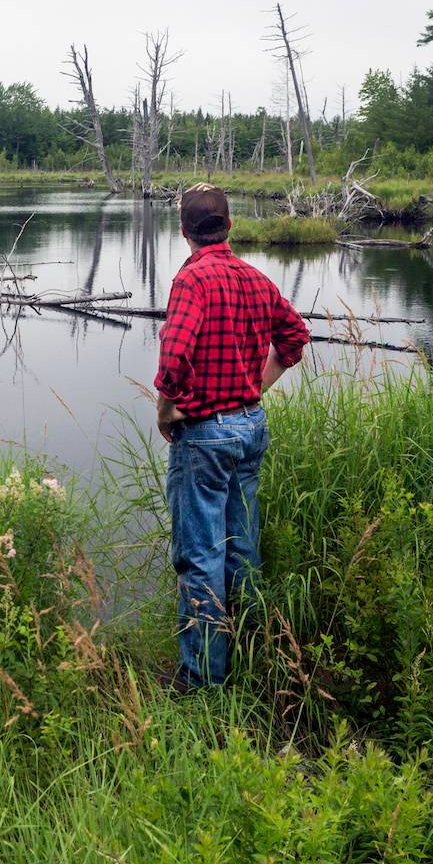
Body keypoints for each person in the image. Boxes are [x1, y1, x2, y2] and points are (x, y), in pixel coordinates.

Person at [153, 184, 307, 689]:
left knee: (200, 556)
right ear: (230, 225)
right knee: (242, 548)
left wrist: (166, 407)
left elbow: (174, 358)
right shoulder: (255, 279)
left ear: (183, 230)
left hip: (205, 436)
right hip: (249, 426)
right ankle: (253, 655)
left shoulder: (191, 280)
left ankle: (202, 682)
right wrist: (253, 388)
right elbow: (294, 337)